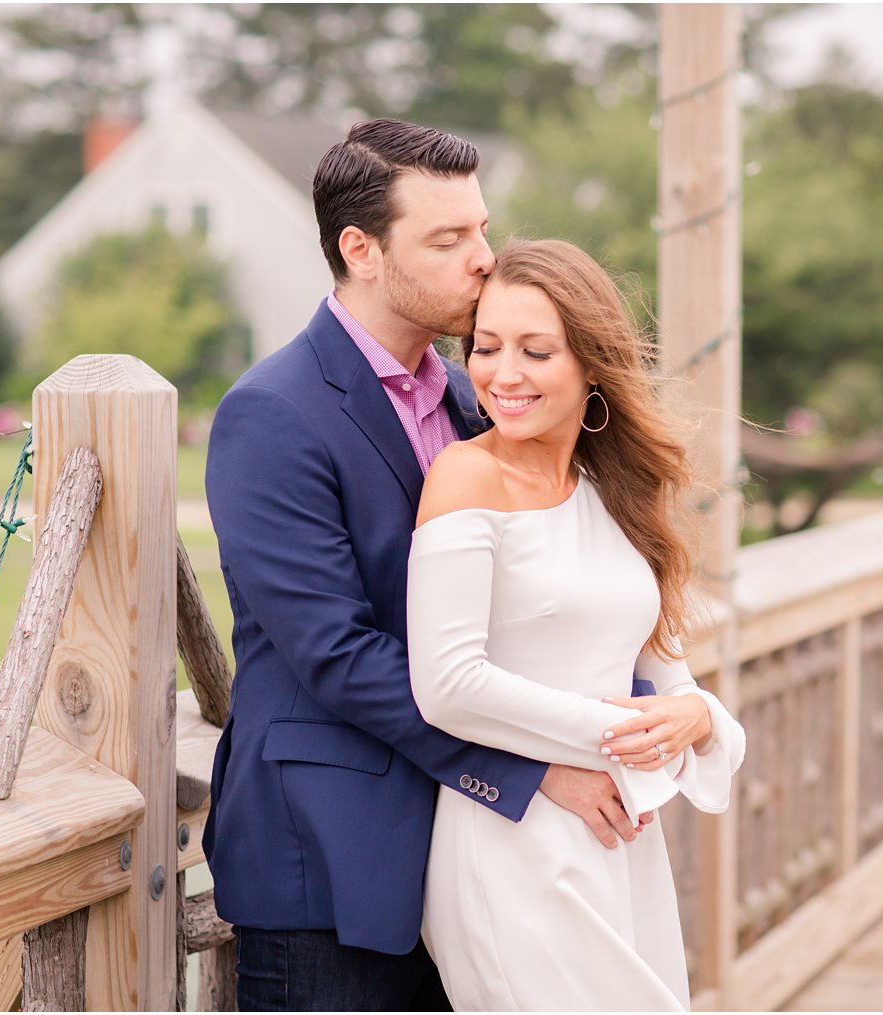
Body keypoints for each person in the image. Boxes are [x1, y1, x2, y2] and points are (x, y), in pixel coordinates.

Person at [202, 120, 710, 1011]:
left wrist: (655, 712)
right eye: (448, 239)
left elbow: (543, 589)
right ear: (360, 249)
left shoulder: (486, 395)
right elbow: (334, 651)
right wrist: (535, 764)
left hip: (489, 857)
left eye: (481, 227)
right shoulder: (272, 415)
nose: (484, 258)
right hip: (337, 861)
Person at [407, 238, 748, 1010]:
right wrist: (619, 738)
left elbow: (668, 673)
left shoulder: (615, 492)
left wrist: (697, 713)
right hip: (511, 842)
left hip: (619, 843)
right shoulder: (467, 473)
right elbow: (448, 684)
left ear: (591, 363)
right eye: (486, 348)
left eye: (536, 350)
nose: (502, 374)